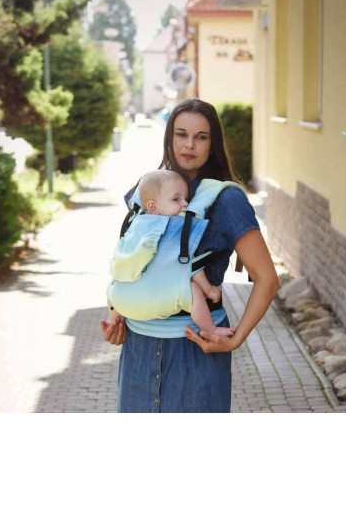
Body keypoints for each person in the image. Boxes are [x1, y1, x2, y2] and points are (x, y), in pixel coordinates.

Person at [100, 99, 279, 413]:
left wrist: (236, 339)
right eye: (181, 134)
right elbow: (128, 263)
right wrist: (119, 315)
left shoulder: (226, 199)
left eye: (201, 136)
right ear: (169, 137)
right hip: (138, 352)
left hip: (196, 350)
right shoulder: (147, 191)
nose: (189, 144)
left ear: (213, 144)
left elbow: (267, 279)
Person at [107, 169, 237, 337]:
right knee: (194, 290)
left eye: (186, 199)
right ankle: (210, 329)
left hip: (121, 301)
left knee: (112, 284)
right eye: (176, 199)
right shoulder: (173, 227)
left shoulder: (135, 223)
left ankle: (113, 319)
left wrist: (113, 305)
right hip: (158, 301)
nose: (185, 204)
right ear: (153, 207)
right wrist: (210, 290)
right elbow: (191, 266)